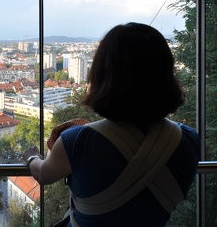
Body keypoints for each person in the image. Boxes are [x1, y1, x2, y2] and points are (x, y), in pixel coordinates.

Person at [23, 22, 200, 227]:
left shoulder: (76, 141)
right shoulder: (188, 140)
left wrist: (31, 157)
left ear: (101, 75)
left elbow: (43, 174)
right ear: (166, 73)